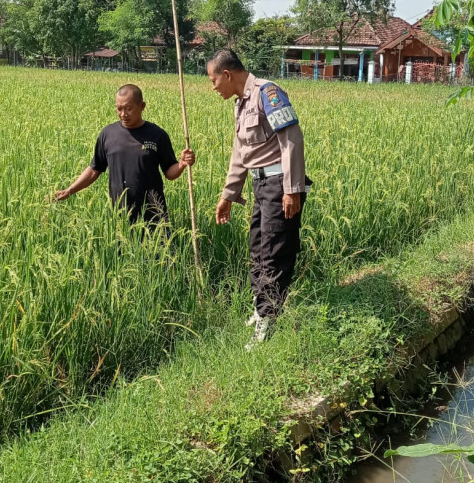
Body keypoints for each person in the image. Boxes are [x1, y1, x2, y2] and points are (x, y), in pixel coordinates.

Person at [208, 48, 309, 346]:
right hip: (260, 185)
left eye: (213, 80)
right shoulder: (241, 103)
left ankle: (267, 322)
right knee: (258, 248)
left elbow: (292, 140)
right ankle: (262, 308)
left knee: (274, 251)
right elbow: (241, 153)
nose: (213, 87)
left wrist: (292, 189)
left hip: (279, 184)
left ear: (227, 75)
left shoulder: (269, 93)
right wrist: (229, 194)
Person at [53, 84, 195, 226]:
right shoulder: (107, 134)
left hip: (153, 214)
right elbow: (94, 170)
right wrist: (70, 190)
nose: (123, 114)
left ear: (142, 106)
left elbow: (170, 173)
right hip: (120, 216)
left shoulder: (157, 135)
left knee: (158, 247)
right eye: (119, 108)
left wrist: (182, 164)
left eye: (128, 108)